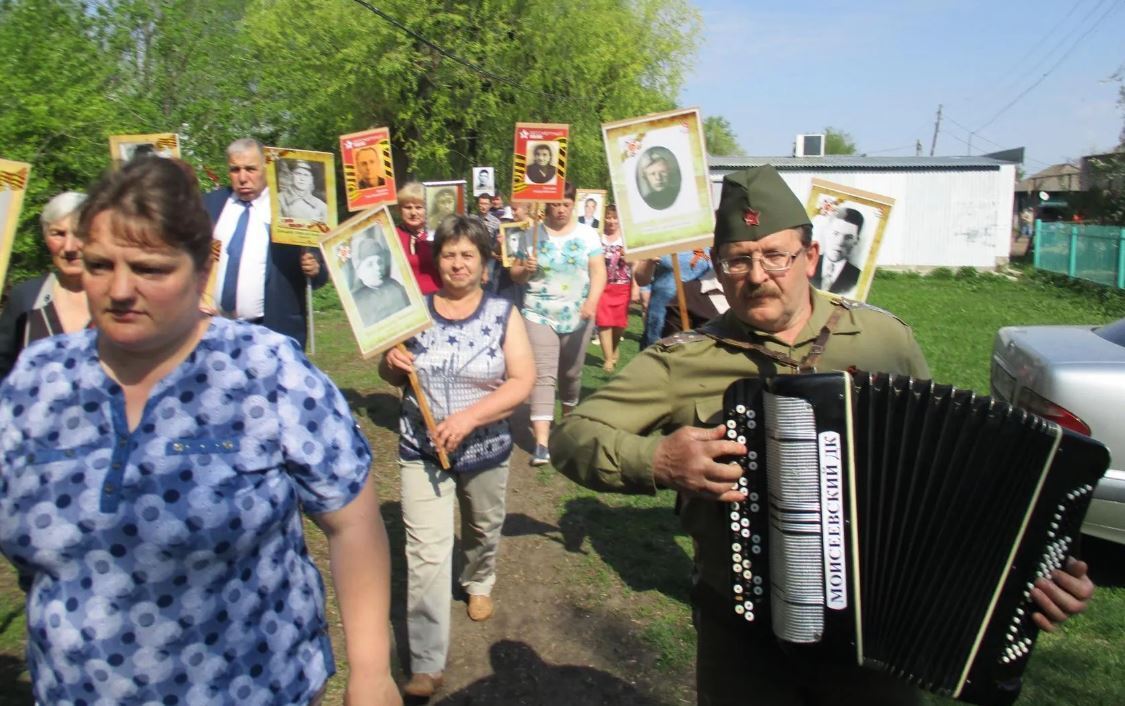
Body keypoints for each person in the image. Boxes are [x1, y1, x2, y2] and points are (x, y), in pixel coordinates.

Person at [548, 165, 1095, 706]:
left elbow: (946, 478)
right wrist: (658, 460)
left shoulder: (882, 339)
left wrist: (1032, 569)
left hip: (880, 630)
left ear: (810, 257)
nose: (757, 275)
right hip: (742, 634)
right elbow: (571, 435)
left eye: (775, 255)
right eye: (739, 259)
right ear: (718, 267)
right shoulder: (684, 359)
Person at [0, 157, 401, 706]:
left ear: (200, 268)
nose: (119, 290)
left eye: (149, 269)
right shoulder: (39, 382)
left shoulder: (263, 373)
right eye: (99, 266)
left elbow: (353, 520)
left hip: (255, 687)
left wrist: (373, 673)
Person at [378, 215, 534, 699]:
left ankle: (479, 576)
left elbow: (521, 382)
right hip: (421, 450)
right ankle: (427, 661)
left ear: (486, 264)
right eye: (449, 254)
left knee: (482, 528)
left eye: (469, 254)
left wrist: (469, 418)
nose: (458, 263)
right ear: (436, 261)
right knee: (425, 554)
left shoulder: (503, 314)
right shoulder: (413, 312)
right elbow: (392, 376)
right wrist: (391, 364)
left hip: (484, 449)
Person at [510, 181, 606, 466]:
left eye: (566, 204)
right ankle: (542, 443)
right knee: (543, 374)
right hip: (538, 312)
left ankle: (568, 423)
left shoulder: (588, 235)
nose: (561, 210)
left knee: (571, 374)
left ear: (573, 204)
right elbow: (515, 274)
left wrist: (592, 301)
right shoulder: (531, 234)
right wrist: (524, 270)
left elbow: (598, 272)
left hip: (578, 314)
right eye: (555, 204)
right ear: (546, 204)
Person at [203, 138, 327, 350]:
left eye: (251, 169)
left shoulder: (288, 208)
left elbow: (321, 269)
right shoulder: (211, 204)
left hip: (273, 331)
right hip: (216, 331)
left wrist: (314, 268)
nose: (243, 178)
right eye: (235, 170)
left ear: (266, 168)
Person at [0, 191, 89, 380]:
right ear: (45, 237)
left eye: (80, 234)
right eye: (58, 234)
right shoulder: (26, 298)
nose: (70, 247)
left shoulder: (118, 299)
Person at [635, 249, 715, 349]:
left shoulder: (706, 242)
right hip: (662, 313)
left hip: (699, 313)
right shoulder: (661, 240)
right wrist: (649, 262)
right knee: (659, 354)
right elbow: (641, 280)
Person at [351, 226, 411, 328]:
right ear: (359, 270)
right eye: (370, 264)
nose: (377, 268)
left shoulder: (396, 287)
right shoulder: (355, 300)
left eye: (379, 262)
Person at [595, 205, 630, 372]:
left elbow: (635, 262)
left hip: (623, 285)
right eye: (608, 217)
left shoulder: (626, 238)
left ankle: (614, 347)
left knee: (619, 324)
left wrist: (627, 256)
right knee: (603, 322)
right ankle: (608, 359)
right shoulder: (597, 236)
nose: (611, 220)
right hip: (601, 284)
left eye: (615, 217)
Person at [395, 181, 441, 295]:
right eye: (408, 207)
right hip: (403, 301)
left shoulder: (438, 234)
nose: (413, 212)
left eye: (419, 207)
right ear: (400, 209)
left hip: (437, 298)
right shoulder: (391, 235)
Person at [811, 207, 863, 294]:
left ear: (856, 241)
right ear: (826, 232)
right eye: (835, 233)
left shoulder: (858, 278)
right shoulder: (805, 264)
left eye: (848, 237)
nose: (840, 242)